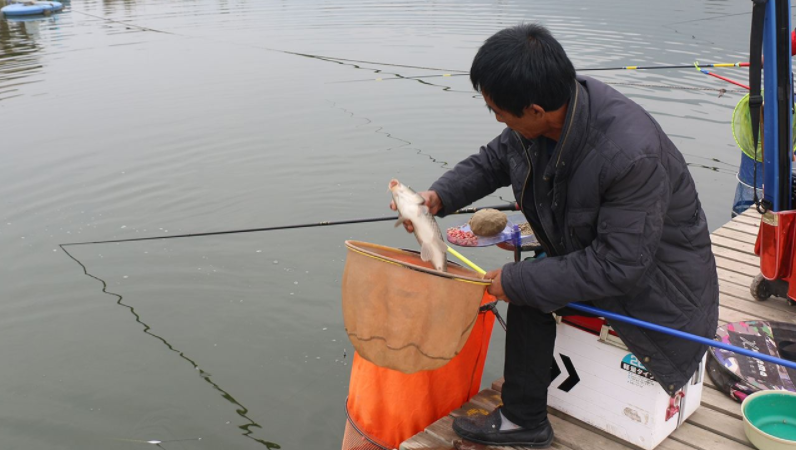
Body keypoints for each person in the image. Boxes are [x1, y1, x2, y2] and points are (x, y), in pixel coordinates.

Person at [392, 24, 719, 447]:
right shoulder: (548, 116)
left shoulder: (631, 155)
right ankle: (524, 418)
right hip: (616, 256)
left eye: (498, 110)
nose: (496, 118)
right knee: (531, 291)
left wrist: (513, 281)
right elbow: (494, 159)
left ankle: (522, 420)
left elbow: (620, 266)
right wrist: (438, 197)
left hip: (662, 289)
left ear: (535, 109)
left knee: (527, 287)